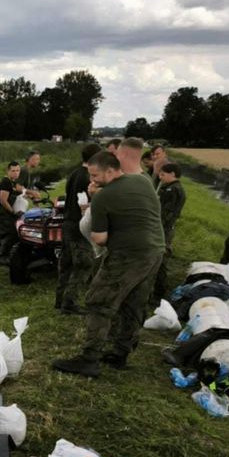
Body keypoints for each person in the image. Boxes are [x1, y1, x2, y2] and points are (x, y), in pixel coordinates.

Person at [52, 151, 165, 377]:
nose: (91, 180)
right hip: (155, 251)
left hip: (126, 255)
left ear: (111, 170)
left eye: (95, 175)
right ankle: (120, 353)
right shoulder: (142, 181)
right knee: (134, 303)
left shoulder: (105, 196)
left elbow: (99, 238)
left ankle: (89, 359)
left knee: (98, 301)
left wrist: (95, 200)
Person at [55, 142, 101, 314]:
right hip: (79, 226)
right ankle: (69, 303)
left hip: (67, 223)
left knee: (65, 264)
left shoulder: (74, 173)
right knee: (83, 265)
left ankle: (59, 299)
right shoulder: (89, 178)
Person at [152, 162, 187, 300]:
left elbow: (166, 213)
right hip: (165, 228)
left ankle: (159, 295)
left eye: (163, 174)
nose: (161, 177)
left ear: (172, 174)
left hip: (164, 230)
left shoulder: (173, 190)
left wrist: (156, 227)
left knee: (161, 261)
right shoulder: (172, 187)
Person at [0, 161, 23, 265]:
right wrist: (13, 212)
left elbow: (18, 191)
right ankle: (2, 256)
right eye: (13, 171)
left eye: (17, 170)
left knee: (0, 234)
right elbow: (3, 201)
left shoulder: (11, 182)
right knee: (12, 231)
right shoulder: (6, 182)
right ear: (8, 171)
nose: (15, 173)